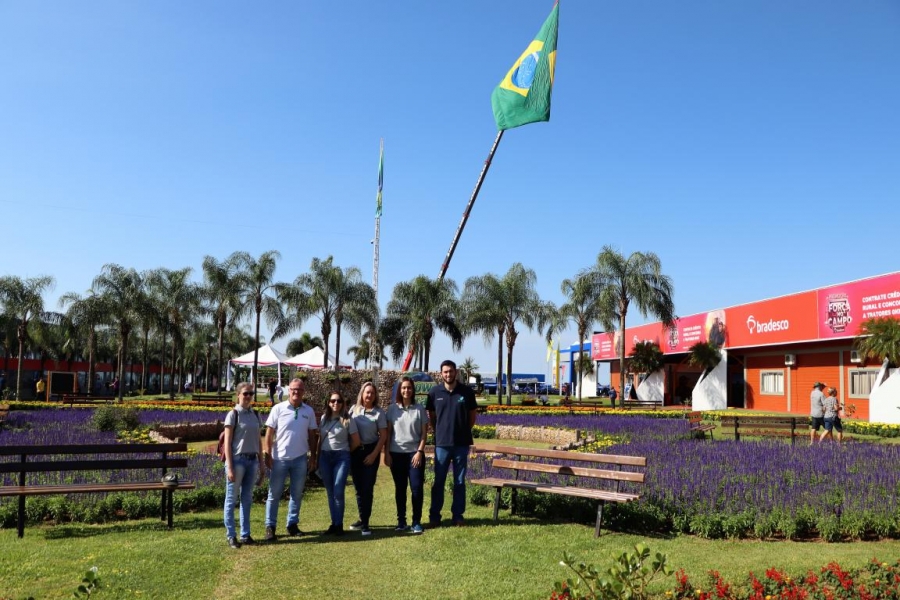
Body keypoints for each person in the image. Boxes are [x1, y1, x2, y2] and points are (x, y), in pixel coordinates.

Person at [263, 378, 318, 542]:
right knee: (274, 494)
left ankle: (292, 524)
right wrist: (268, 453)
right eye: (294, 389)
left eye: (300, 390)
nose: (296, 392)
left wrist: (313, 456)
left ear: (303, 392)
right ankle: (270, 526)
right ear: (289, 390)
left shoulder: (308, 411)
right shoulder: (278, 409)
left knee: (297, 494)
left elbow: (312, 435)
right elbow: (269, 433)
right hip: (279, 459)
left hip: (300, 459)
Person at [426, 359, 477, 527]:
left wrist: (461, 430)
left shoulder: (466, 392)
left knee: (460, 482)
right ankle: (435, 516)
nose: (448, 374)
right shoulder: (434, 393)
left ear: (456, 372)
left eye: (451, 371)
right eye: (445, 372)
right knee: (439, 481)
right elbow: (432, 417)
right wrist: (441, 431)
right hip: (442, 444)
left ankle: (458, 516)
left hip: (461, 444)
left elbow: (472, 417)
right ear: (441, 374)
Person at [222, 382, 265, 549]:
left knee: (247, 499)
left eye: (251, 394)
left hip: (252, 460)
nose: (248, 396)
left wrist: (262, 464)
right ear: (238, 395)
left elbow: (258, 442)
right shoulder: (233, 414)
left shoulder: (255, 414)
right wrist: (230, 466)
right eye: (245, 393)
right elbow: (227, 443)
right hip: (237, 460)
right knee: (231, 499)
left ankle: (245, 535)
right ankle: (231, 535)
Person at [385, 376, 428, 534]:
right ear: (399, 390)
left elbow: (424, 434)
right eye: (403, 388)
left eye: (409, 387)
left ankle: (416, 521)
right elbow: (388, 433)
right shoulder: (392, 409)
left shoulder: (419, 409)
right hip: (396, 455)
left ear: (413, 390)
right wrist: (387, 453)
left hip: (414, 455)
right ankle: (401, 521)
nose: (406, 390)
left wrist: (419, 452)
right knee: (400, 488)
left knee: (416, 489)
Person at [348, 381, 388, 536]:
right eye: (367, 392)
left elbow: (383, 436)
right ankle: (362, 517)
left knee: (368, 487)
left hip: (372, 451)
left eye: (372, 392)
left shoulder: (379, 413)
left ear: (375, 395)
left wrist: (374, 455)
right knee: (358, 488)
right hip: (356, 451)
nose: (369, 395)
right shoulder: (354, 410)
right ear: (362, 394)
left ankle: (366, 523)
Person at [318, 391, 357, 536]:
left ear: (343, 403)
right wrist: (316, 458)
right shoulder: (324, 418)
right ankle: (334, 524)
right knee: (330, 492)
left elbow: (356, 441)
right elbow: (319, 439)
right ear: (328, 402)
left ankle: (339, 524)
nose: (336, 403)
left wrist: (345, 452)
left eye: (339, 401)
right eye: (333, 401)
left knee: (338, 491)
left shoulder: (347, 420)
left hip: (341, 457)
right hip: (325, 456)